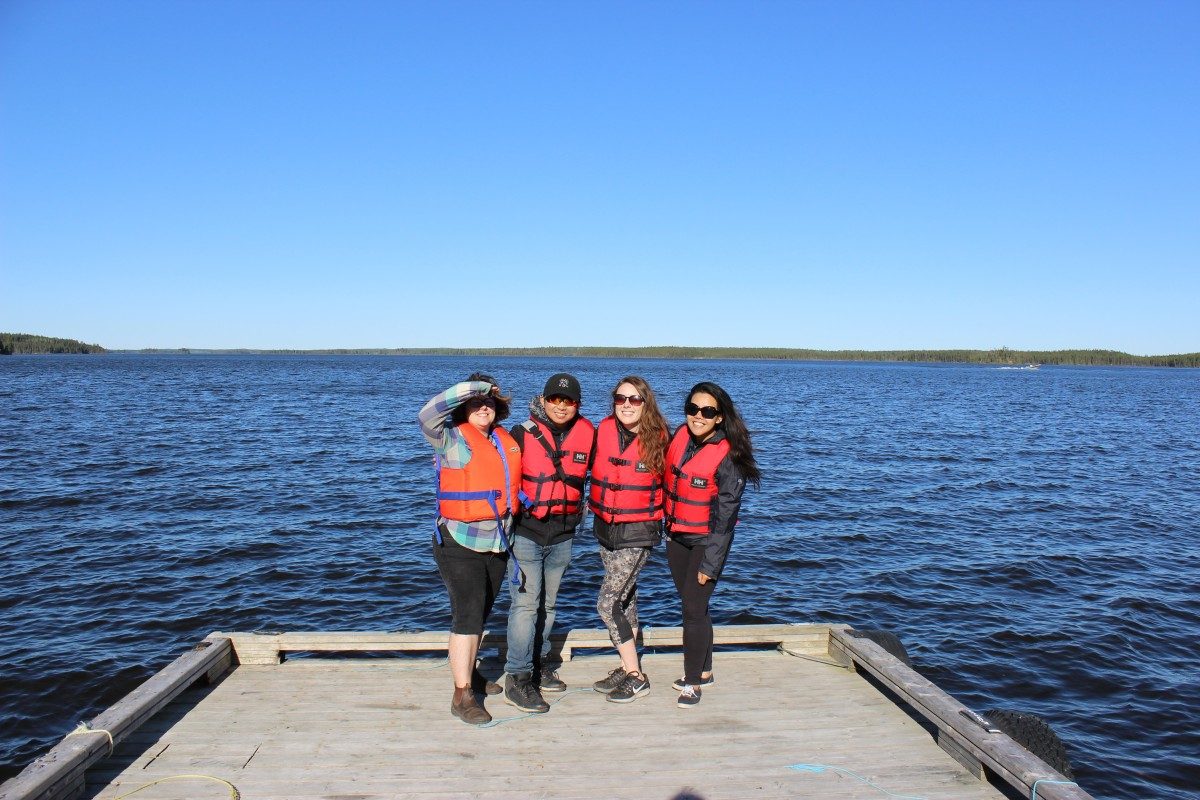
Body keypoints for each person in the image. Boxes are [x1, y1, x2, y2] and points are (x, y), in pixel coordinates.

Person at [419, 373, 522, 725]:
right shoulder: (449, 439)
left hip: (497, 542)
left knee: (480, 614)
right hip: (459, 542)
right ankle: (462, 695)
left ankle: (472, 673)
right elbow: (427, 414)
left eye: (490, 402)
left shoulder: (502, 440)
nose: (484, 407)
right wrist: (477, 388)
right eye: (476, 402)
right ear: (463, 406)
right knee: (467, 614)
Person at [502, 373, 595, 713]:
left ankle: (540, 667)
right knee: (526, 606)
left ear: (577, 405)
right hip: (527, 532)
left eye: (568, 401)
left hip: (563, 534)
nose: (560, 405)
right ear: (543, 401)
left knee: (549, 606)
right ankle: (518, 677)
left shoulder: (589, 435)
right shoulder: (520, 434)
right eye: (554, 399)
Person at [664, 381, 760, 708]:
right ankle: (704, 670)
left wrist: (711, 563)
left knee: (692, 610)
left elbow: (727, 517)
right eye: (693, 409)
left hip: (707, 542)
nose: (698, 416)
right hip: (677, 536)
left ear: (719, 417)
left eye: (707, 411)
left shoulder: (728, 455)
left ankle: (692, 684)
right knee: (695, 607)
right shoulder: (680, 437)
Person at [587, 375, 668, 704]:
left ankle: (637, 677)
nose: (626, 405)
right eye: (621, 399)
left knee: (607, 604)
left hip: (637, 531)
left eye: (635, 399)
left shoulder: (661, 439)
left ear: (645, 403)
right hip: (606, 528)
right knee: (626, 601)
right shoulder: (603, 430)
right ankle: (626, 665)